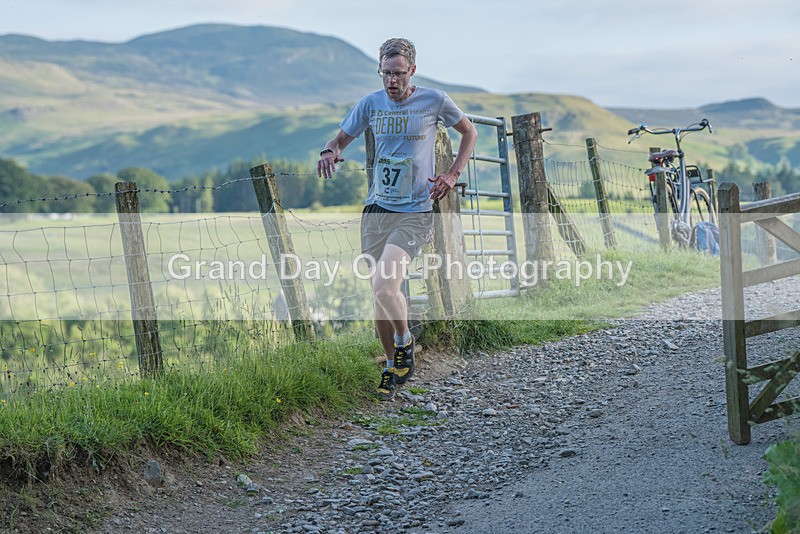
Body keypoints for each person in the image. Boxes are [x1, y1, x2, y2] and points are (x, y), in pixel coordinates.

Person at [318, 37, 478, 400]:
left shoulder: (434, 100)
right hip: (377, 210)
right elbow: (341, 139)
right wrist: (329, 151)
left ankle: (406, 342)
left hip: (414, 210)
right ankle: (392, 366)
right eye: (386, 74)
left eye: (399, 74)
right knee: (378, 295)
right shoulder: (370, 104)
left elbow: (470, 132)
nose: (391, 81)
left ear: (412, 71)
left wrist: (452, 173)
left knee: (385, 287)